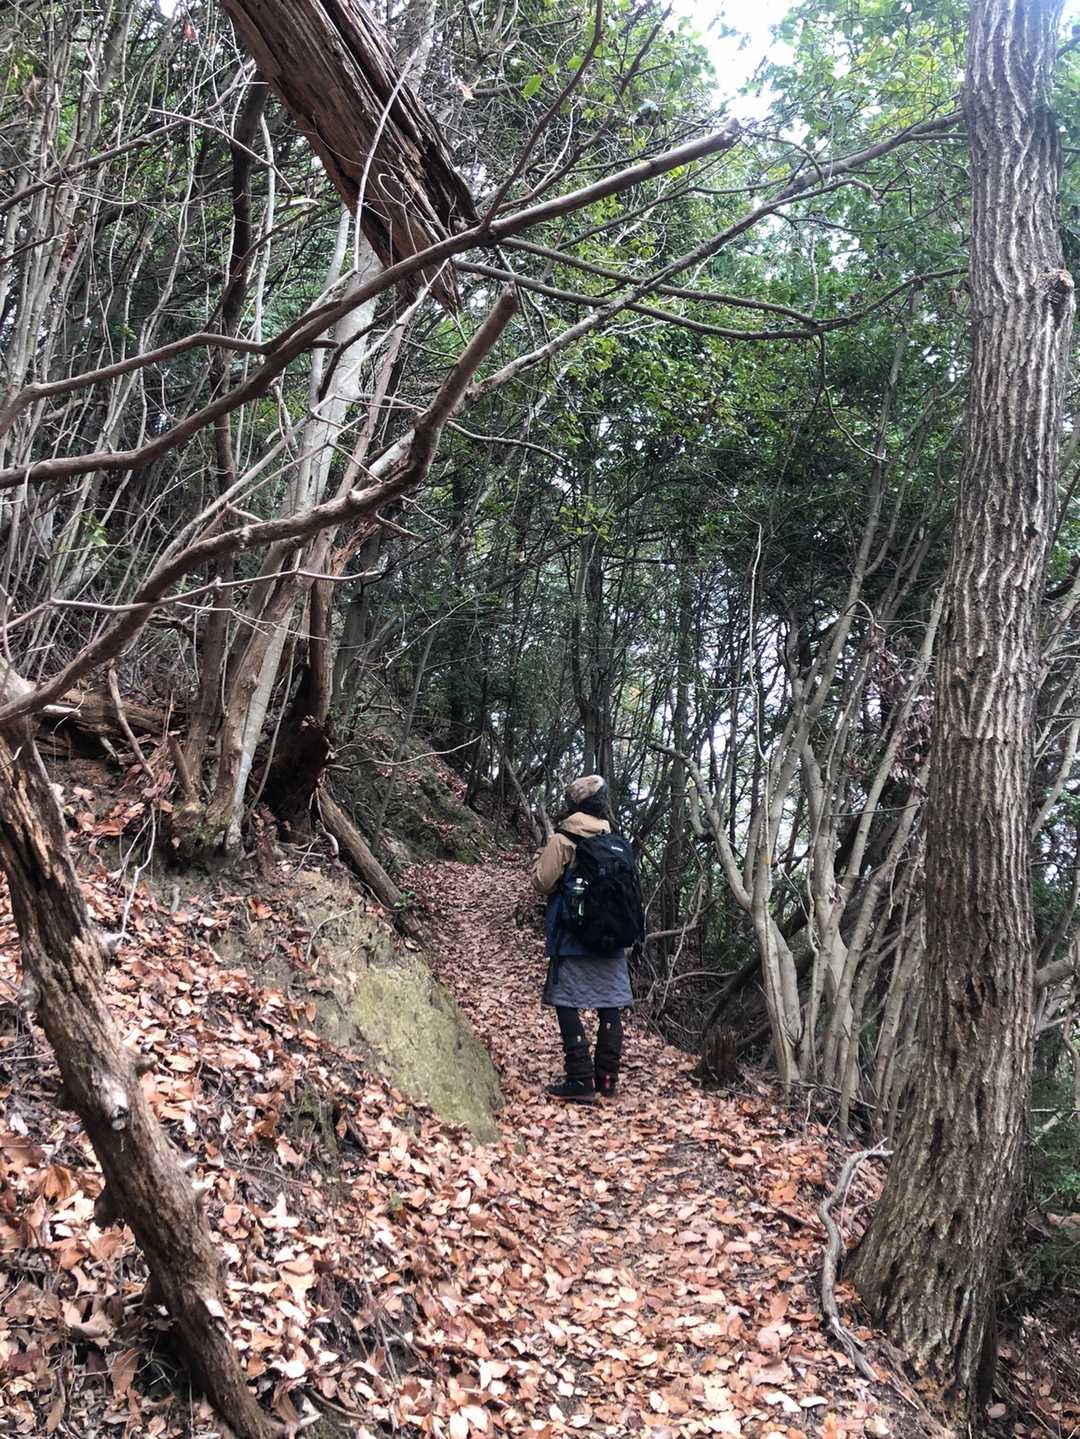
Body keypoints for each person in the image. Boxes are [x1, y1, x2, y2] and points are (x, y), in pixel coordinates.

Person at [532, 774, 633, 1103]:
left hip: (572, 936)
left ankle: (580, 1078)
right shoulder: (615, 841)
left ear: (573, 805)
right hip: (612, 938)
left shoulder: (563, 839)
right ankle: (607, 1078)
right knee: (609, 1004)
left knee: (566, 1001)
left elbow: (542, 883)